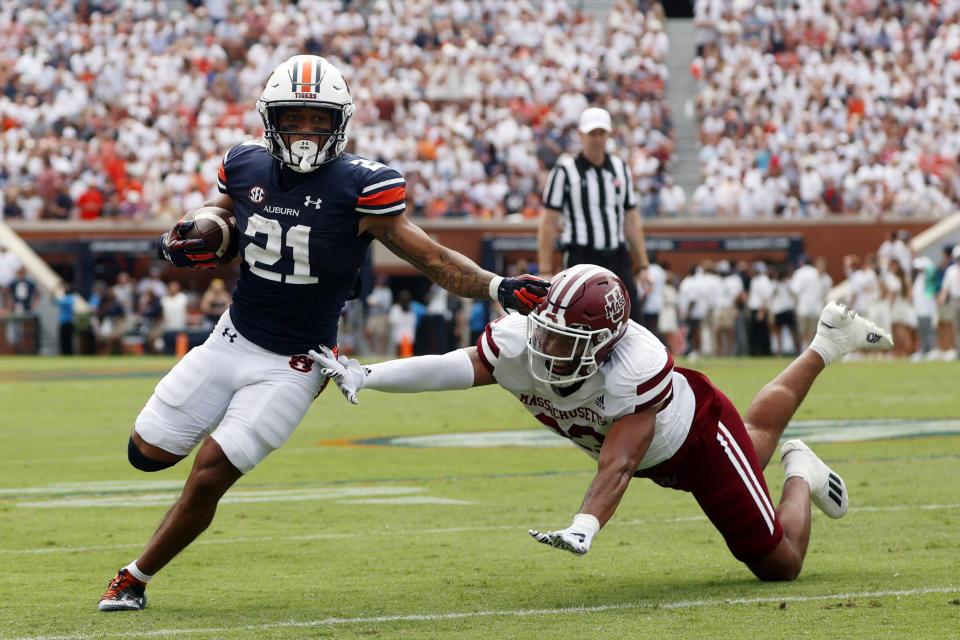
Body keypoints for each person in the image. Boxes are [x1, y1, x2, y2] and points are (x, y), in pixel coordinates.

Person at [97, 55, 550, 612]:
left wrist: (497, 287)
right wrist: (195, 229)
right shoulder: (243, 163)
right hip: (230, 338)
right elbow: (219, 212)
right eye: (294, 118)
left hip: (296, 360)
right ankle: (197, 444)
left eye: (318, 119)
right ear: (271, 119)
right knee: (145, 453)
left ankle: (134, 577)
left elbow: (430, 257)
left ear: (340, 122)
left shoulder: (362, 186)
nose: (306, 131)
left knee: (211, 471)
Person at [313, 264, 894, 581]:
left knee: (777, 563)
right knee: (756, 444)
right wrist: (369, 373)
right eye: (545, 331)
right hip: (655, 452)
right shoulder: (522, 339)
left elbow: (619, 461)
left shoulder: (633, 371)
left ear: (604, 345)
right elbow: (449, 367)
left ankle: (803, 470)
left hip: (694, 437)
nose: (545, 348)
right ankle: (827, 341)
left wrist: (584, 526)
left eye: (564, 342)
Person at [537, 107, 650, 322]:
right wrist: (544, 269)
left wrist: (643, 265)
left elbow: (631, 220)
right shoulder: (565, 170)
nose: (597, 139)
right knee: (577, 319)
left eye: (601, 134)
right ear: (581, 135)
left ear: (609, 135)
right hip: (581, 255)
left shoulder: (620, 168)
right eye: (592, 134)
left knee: (632, 319)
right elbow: (548, 223)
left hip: (617, 256)